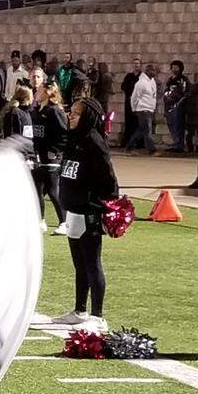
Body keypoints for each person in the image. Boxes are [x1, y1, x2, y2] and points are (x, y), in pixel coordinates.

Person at [50, 98, 118, 331]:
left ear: (88, 116)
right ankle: (80, 310)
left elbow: (109, 179)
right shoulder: (74, 139)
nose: (71, 116)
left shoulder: (94, 141)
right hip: (73, 211)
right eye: (71, 112)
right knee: (79, 265)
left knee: (92, 263)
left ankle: (98, 316)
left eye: (77, 113)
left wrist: (107, 206)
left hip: (89, 212)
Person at [30, 71, 68, 234]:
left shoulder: (54, 111)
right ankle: (40, 221)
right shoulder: (37, 111)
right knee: (37, 190)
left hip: (53, 158)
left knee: (53, 190)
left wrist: (55, 151)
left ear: (47, 92)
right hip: (39, 157)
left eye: (39, 91)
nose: (36, 93)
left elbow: (64, 133)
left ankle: (64, 222)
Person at [125, 64, 158, 154]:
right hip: (143, 109)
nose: (154, 72)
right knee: (147, 129)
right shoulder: (141, 83)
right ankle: (152, 149)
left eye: (155, 70)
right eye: (152, 70)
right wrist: (134, 108)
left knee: (141, 130)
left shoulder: (152, 81)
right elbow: (134, 97)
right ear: (147, 71)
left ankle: (129, 147)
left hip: (150, 109)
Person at [160, 60, 188, 154]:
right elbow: (166, 91)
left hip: (178, 107)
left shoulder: (183, 79)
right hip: (168, 106)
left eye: (176, 67)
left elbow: (185, 93)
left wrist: (178, 103)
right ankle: (175, 143)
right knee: (171, 125)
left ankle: (179, 146)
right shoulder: (170, 80)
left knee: (178, 126)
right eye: (173, 67)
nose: (174, 69)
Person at [120, 57, 141, 147]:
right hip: (129, 102)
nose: (136, 65)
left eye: (138, 63)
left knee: (138, 122)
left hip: (139, 103)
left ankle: (138, 142)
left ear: (140, 65)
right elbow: (123, 86)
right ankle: (128, 141)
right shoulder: (129, 76)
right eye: (134, 63)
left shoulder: (142, 77)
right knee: (129, 121)